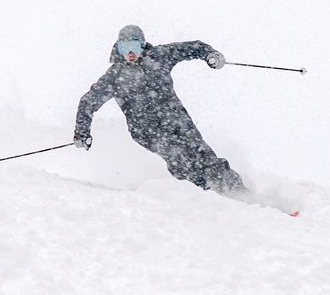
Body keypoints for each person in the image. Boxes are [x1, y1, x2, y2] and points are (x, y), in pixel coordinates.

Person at [73, 25, 244, 194]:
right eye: (125, 48)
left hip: (177, 119)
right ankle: (201, 195)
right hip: (147, 131)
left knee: (202, 155)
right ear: (118, 49)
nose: (130, 54)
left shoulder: (159, 56)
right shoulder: (115, 76)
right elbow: (88, 102)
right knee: (179, 160)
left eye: (134, 47)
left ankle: (237, 191)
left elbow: (193, 47)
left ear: (143, 44)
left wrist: (210, 54)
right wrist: (82, 133)